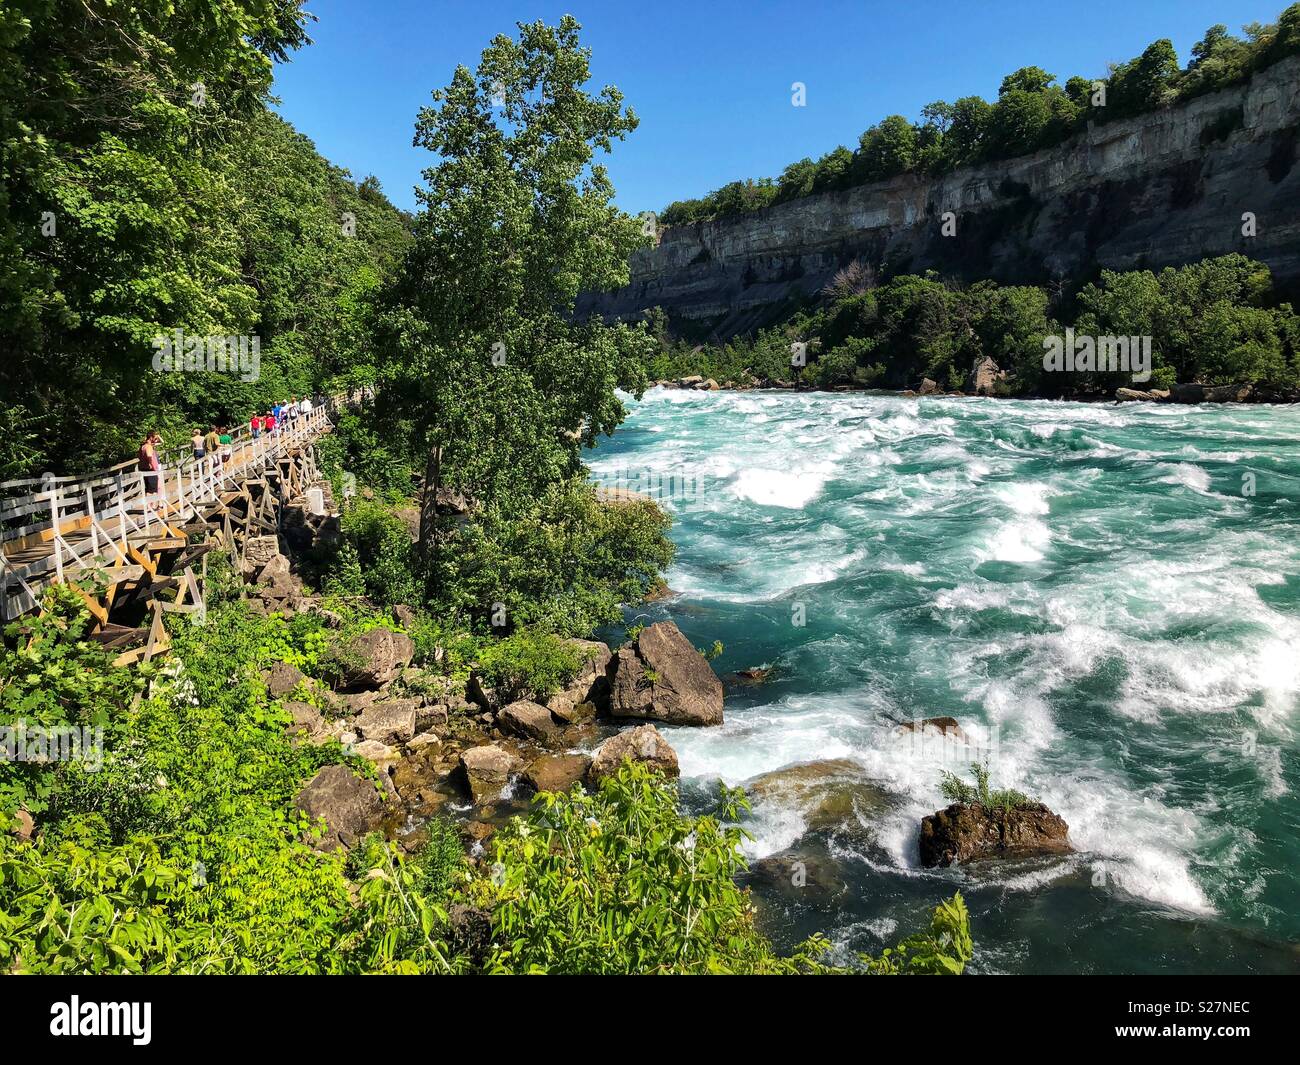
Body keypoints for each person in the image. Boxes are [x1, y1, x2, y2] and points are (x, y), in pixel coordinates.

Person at [138, 431, 162, 513]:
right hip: (150, 469)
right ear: (151, 437)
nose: (155, 439)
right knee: (153, 490)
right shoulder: (148, 446)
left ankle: (149, 507)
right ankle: (152, 507)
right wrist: (153, 466)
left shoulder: (142, 446)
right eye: (154, 437)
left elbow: (139, 457)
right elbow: (149, 455)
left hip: (144, 469)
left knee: (148, 489)